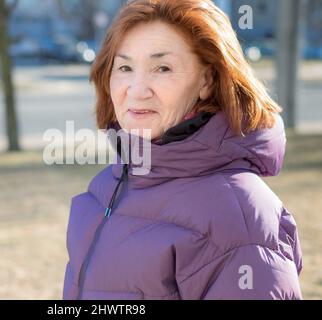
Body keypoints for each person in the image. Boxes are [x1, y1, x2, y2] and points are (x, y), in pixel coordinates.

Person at [62, 0, 302, 300]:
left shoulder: (238, 217)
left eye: (162, 68)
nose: (137, 89)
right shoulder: (109, 185)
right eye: (124, 67)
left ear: (207, 80)